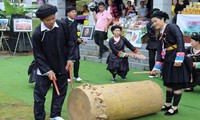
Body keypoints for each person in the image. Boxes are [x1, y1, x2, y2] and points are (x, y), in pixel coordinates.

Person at [32, 4, 74, 120]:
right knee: (39, 96)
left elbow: (70, 42)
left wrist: (70, 58)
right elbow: (38, 55)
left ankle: (55, 115)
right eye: (48, 20)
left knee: (60, 93)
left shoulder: (62, 25)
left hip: (61, 65)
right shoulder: (37, 33)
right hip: (44, 69)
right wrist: (47, 70)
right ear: (42, 20)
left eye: (53, 18)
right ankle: (39, 117)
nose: (51, 21)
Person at [151, 11, 190, 115]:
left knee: (176, 84)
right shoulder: (159, 33)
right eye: (153, 22)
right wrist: (157, 67)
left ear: (163, 19)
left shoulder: (172, 27)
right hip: (168, 59)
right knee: (168, 83)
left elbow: (180, 40)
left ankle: (175, 107)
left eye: (156, 21)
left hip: (176, 59)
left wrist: (179, 59)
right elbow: (159, 51)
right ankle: (168, 104)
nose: (154, 24)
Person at [65, 6, 84, 82]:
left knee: (77, 59)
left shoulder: (75, 22)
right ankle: (68, 76)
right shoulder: (64, 22)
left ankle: (76, 75)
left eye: (75, 12)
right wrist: (76, 38)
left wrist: (80, 39)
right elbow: (67, 34)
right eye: (72, 12)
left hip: (75, 44)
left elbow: (75, 33)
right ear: (68, 13)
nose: (75, 13)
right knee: (68, 60)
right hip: (67, 44)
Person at [146, 8, 160, 78]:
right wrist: (157, 37)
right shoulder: (149, 24)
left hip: (160, 43)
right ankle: (152, 72)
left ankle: (161, 73)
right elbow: (150, 34)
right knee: (151, 58)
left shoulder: (161, 23)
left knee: (160, 58)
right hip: (152, 43)